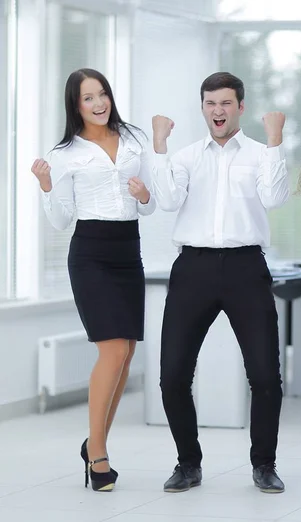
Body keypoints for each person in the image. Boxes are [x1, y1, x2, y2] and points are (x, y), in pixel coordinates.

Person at [151, 72, 288, 494]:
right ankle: (188, 463)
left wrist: (277, 139)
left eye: (226, 103)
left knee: (265, 375)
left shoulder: (261, 153)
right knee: (173, 375)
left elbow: (275, 197)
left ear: (240, 107)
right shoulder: (188, 156)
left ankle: (264, 464)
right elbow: (168, 201)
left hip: (247, 268)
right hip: (192, 269)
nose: (218, 111)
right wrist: (160, 146)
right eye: (211, 103)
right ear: (203, 107)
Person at [30, 68, 156, 492]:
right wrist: (47, 185)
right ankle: (98, 452)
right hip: (90, 254)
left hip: (128, 250)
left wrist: (143, 197)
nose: (99, 103)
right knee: (113, 349)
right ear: (75, 105)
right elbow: (62, 218)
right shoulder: (64, 153)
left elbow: (149, 205)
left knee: (126, 354)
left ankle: (95, 443)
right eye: (88, 98)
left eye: (102, 94)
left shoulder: (135, 139)